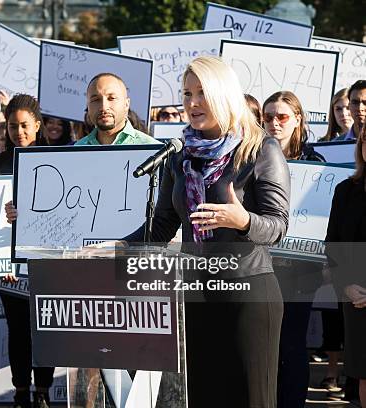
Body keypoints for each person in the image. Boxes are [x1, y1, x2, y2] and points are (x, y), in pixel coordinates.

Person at [121, 56, 289, 407]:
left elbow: (277, 226)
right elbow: (163, 225)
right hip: (195, 295)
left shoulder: (260, 148)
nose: (192, 103)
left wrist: (241, 220)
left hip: (247, 295)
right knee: (201, 396)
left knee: (248, 399)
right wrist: (116, 246)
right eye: (186, 94)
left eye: (202, 93)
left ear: (224, 94)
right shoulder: (179, 155)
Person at [0, 94, 52, 408]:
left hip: (44, 260)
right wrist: (3, 215)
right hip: (8, 262)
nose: (20, 132)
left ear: (37, 125)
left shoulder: (56, 157)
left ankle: (43, 390)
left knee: (44, 326)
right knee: (17, 328)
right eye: (13, 126)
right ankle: (21, 391)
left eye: (25, 125)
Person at [262, 91, 325, 407]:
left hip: (302, 271)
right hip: (262, 266)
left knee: (292, 345)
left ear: (298, 119)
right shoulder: (253, 157)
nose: (274, 123)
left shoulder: (316, 164)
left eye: (282, 116)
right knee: (265, 345)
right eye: (268, 116)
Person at [325, 124, 366, 407]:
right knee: (365, 376)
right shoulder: (345, 191)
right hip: (357, 299)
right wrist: (346, 286)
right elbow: (333, 245)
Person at [75, 73, 159, 146]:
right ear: (88, 106)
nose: (104, 107)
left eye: (111, 98)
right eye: (96, 100)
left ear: (126, 104)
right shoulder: (76, 151)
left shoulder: (153, 150)